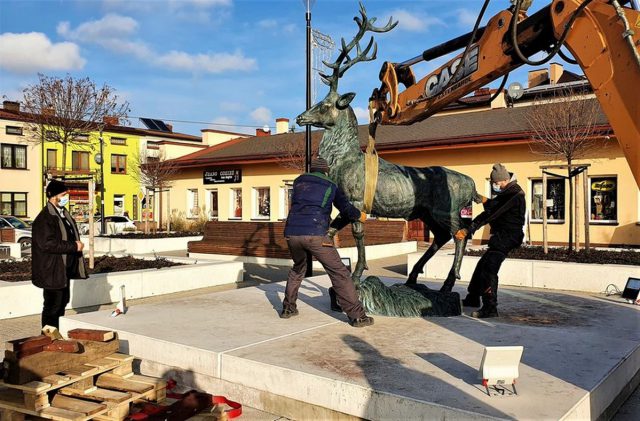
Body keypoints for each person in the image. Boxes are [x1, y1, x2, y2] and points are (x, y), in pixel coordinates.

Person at [281, 157, 374, 327]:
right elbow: (345, 208)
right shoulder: (330, 185)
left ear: (311, 169)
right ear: (326, 171)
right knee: (339, 273)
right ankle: (358, 316)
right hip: (316, 234)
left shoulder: (298, 182)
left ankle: (288, 308)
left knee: (297, 269)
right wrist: (358, 215)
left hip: (292, 234)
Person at [454, 163, 525, 318]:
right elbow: (495, 205)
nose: (495, 186)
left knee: (489, 270)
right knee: (482, 265)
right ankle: (473, 298)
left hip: (507, 238)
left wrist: (468, 229)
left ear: (504, 180)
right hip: (503, 237)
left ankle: (490, 308)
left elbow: (491, 214)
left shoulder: (514, 194)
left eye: (496, 183)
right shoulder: (508, 192)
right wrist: (483, 199)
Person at [32, 180, 87, 328]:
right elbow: (47, 243)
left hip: (62, 269)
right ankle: (48, 337)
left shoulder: (62, 215)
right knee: (52, 306)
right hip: (52, 270)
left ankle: (57, 335)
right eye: (63, 195)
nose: (65, 198)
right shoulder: (45, 218)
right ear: (53, 196)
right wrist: (74, 246)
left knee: (62, 303)